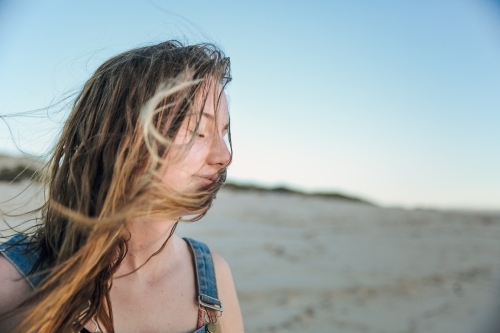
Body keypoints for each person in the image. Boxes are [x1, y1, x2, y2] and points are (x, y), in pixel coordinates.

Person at [0, 40, 244, 333]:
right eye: (198, 131)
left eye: (223, 132)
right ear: (120, 136)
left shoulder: (214, 278)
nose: (224, 156)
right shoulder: (12, 282)